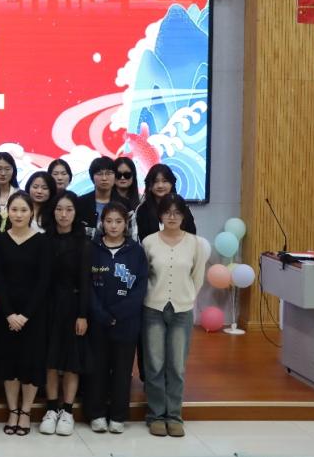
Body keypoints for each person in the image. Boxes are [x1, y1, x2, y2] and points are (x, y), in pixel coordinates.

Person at [142, 194, 210, 438]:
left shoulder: (195, 243)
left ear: (183, 215)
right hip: (153, 309)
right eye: (167, 212)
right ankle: (156, 415)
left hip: (181, 310)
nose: (172, 217)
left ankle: (174, 416)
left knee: (177, 366)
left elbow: (197, 277)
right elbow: (146, 276)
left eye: (177, 212)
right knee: (155, 364)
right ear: (160, 215)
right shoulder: (149, 242)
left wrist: (187, 298)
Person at [0, 191, 51, 436]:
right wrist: (9, 314)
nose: (18, 214)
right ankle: (13, 410)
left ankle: (26, 411)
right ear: (8, 212)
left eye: (23, 210)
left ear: (31, 213)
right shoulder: (0, 240)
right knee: (10, 363)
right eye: (14, 209)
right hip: (7, 314)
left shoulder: (42, 241)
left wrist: (25, 315)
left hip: (33, 315)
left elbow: (44, 281)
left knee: (30, 363)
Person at [86, 202, 147, 435]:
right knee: (97, 370)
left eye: (118, 221)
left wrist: (117, 314)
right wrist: (101, 314)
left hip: (126, 323)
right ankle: (97, 414)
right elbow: (86, 285)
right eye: (109, 221)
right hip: (97, 322)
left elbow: (140, 287)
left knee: (122, 371)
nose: (113, 226)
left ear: (126, 224)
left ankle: (119, 415)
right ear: (102, 223)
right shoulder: (92, 249)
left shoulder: (136, 251)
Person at [39, 191, 91, 437]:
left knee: (72, 361)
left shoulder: (83, 242)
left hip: (73, 306)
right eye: (59, 209)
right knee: (50, 359)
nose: (63, 214)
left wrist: (82, 314)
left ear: (76, 212)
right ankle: (51, 409)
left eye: (69, 209)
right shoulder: (44, 240)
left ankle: (67, 411)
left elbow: (85, 282)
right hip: (47, 306)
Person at [135, 164, 192, 243]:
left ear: (172, 183)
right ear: (149, 185)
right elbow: (142, 240)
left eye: (165, 181)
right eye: (156, 181)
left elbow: (191, 236)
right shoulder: (142, 210)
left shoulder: (183, 207)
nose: (160, 185)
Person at [74, 156, 126, 240]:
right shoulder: (80, 203)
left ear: (115, 176)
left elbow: (130, 233)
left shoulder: (125, 204)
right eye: (99, 174)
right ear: (92, 177)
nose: (104, 178)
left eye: (109, 173)